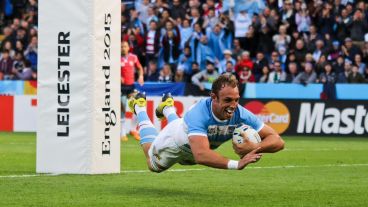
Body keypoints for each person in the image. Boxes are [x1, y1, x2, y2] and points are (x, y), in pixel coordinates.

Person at [127, 74, 284, 172]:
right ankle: (140, 107)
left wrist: (255, 147)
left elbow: (277, 141)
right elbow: (201, 154)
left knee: (184, 128)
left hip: (189, 140)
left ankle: (168, 107)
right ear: (213, 97)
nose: (233, 105)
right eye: (228, 100)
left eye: (236, 100)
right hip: (174, 144)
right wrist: (237, 164)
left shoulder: (240, 113)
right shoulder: (199, 113)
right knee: (152, 164)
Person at [121, 41, 144, 141]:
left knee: (137, 107)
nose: (123, 48)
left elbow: (139, 68)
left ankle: (133, 129)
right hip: (120, 87)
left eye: (125, 46)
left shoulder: (133, 57)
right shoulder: (115, 58)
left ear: (128, 47)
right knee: (122, 110)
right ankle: (122, 133)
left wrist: (141, 76)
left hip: (130, 86)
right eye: (121, 47)